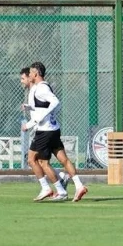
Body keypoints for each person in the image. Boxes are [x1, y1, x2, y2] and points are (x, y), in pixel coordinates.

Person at [23, 62, 86, 202]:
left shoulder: (41, 88)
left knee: (40, 162)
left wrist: (33, 121)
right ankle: (79, 185)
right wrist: (32, 109)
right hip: (53, 129)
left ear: (36, 74)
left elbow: (55, 102)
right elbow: (47, 107)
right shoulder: (43, 87)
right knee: (63, 160)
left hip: (44, 131)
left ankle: (58, 190)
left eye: (31, 72)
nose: (30, 74)